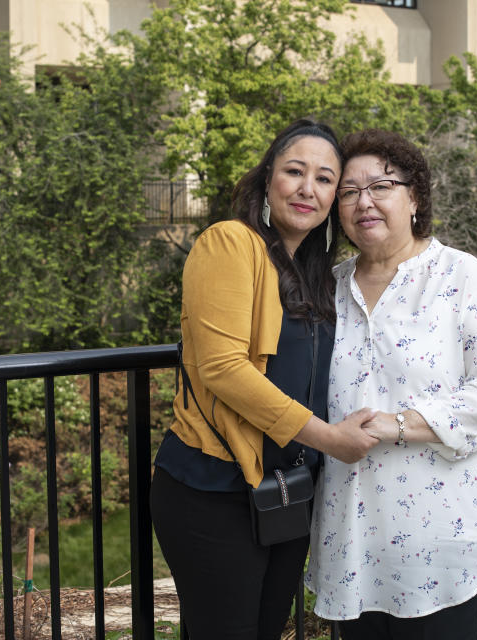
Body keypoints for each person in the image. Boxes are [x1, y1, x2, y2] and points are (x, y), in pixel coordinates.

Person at [149, 119, 379, 640]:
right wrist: (330, 440)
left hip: (284, 492)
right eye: (294, 172)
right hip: (214, 488)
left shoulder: (316, 275)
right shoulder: (231, 242)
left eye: (325, 179)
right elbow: (223, 369)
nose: (308, 188)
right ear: (266, 183)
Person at [305, 129, 477, 639]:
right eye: (348, 191)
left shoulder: (463, 278)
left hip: (441, 539)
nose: (364, 202)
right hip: (352, 537)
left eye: (381, 186)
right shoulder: (327, 290)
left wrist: (395, 425)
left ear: (416, 198)